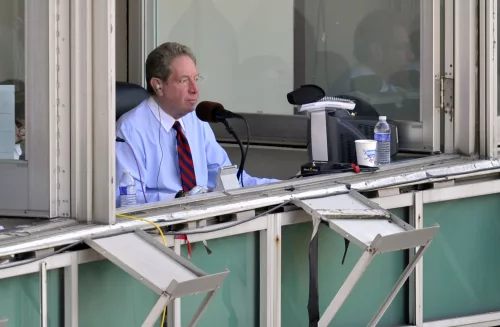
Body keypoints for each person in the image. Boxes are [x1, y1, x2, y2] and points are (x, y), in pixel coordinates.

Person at [116, 42, 279, 206]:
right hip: (158, 227)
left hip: (202, 221)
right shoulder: (129, 130)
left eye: (196, 79)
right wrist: (180, 199)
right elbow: (127, 199)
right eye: (184, 80)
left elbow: (229, 180)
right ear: (158, 85)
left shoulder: (196, 119)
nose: (195, 89)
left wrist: (282, 187)